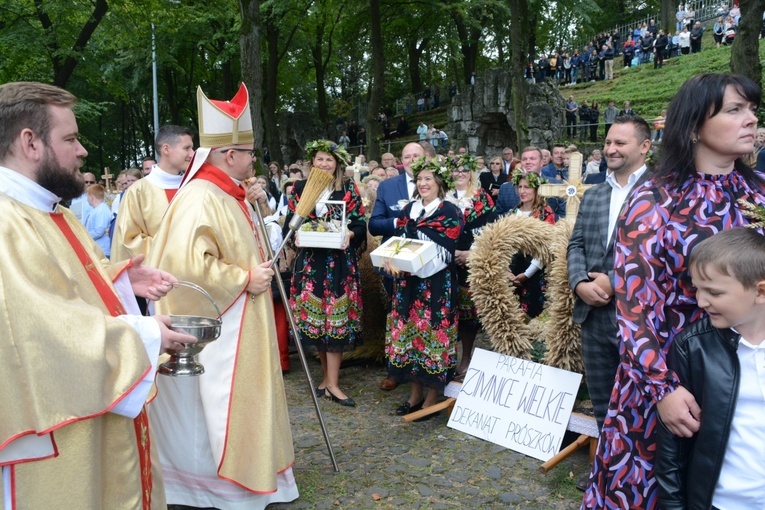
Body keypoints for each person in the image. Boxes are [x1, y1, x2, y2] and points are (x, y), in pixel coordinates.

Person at [0, 81, 194, 509]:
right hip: (57, 428)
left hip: (92, 407)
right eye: (69, 138)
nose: (83, 150)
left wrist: (121, 279)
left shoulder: (53, 210)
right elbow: (35, 328)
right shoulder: (6, 221)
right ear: (29, 142)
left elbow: (65, 283)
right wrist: (144, 336)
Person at [583, 73, 765, 509]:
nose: (751, 119)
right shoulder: (656, 199)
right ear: (693, 125)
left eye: (752, 109)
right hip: (672, 378)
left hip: (751, 374)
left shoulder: (758, 191)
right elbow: (634, 307)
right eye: (735, 110)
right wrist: (662, 389)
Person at [148, 83, 298, 508]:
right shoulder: (200, 197)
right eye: (249, 152)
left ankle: (256, 471)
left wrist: (257, 208)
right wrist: (242, 278)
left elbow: (253, 245)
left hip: (244, 317)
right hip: (223, 324)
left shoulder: (230, 193)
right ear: (229, 154)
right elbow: (184, 267)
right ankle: (216, 486)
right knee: (216, 405)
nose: (254, 160)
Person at [656, 228, 765, 509]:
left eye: (714, 292)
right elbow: (672, 450)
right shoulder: (693, 347)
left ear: (761, 291)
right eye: (697, 289)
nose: (701, 302)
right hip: (719, 502)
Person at [568, 114, 651, 433]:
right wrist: (578, 283)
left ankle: (638, 478)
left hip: (639, 317)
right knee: (604, 404)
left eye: (620, 142)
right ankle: (607, 475)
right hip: (593, 316)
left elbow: (661, 255)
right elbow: (575, 244)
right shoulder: (595, 195)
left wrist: (615, 282)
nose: (611, 149)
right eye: (607, 142)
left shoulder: (661, 192)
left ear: (645, 146)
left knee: (641, 403)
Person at [286, 140, 365, 406]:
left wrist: (351, 232)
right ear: (312, 163)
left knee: (336, 322)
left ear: (337, 164)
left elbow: (359, 222)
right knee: (319, 322)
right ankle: (327, 378)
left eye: (329, 160)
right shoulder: (299, 188)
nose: (324, 164)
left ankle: (332, 383)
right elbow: (290, 223)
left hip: (339, 264)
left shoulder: (347, 188)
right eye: (320, 159)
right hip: (311, 264)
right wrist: (295, 235)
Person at [386, 156, 464, 417]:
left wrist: (419, 264)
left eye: (428, 178)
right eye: (419, 179)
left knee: (433, 338)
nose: (422, 183)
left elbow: (447, 251)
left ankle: (431, 398)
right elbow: (398, 241)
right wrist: (392, 258)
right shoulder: (409, 210)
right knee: (412, 339)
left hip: (436, 284)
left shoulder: (449, 211)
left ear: (439, 182)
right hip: (408, 284)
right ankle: (415, 395)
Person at [370, 142, 425, 391]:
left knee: (425, 317)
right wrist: (400, 221)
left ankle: (425, 369)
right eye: (407, 156)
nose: (412, 160)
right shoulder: (388, 186)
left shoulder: (438, 184)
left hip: (427, 266)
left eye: (416, 156)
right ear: (401, 161)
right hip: (395, 266)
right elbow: (374, 225)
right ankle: (395, 369)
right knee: (396, 317)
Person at [111, 125, 194, 262]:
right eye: (187, 148)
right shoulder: (138, 191)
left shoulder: (193, 186)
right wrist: (174, 250)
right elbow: (128, 240)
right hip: (159, 277)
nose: (192, 154)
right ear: (166, 149)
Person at [448, 154, 496, 377]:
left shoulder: (482, 198)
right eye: (455, 170)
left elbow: (490, 233)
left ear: (471, 173)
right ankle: (445, 357)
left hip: (470, 262)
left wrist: (470, 253)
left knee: (468, 314)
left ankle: (466, 356)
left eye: (464, 170)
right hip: (443, 263)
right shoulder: (441, 196)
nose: (459, 174)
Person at [507, 168, 556, 318]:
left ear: (536, 190)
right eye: (520, 187)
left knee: (534, 314)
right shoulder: (512, 213)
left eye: (527, 187)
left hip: (535, 270)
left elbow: (546, 247)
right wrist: (506, 272)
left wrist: (527, 274)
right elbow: (504, 244)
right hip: (513, 270)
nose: (522, 191)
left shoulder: (545, 213)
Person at [84, 183, 113, 257]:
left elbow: (99, 231)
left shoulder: (101, 211)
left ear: (91, 197)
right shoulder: (96, 210)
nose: (87, 199)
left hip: (102, 250)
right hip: (96, 249)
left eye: (87, 196)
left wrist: (84, 236)